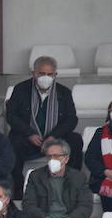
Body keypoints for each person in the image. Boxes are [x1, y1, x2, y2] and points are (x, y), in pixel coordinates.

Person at [5, 56, 80, 192]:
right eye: (42, 73)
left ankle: (72, 186)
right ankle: (17, 191)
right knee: (12, 144)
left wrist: (53, 137)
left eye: (50, 74)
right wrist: (29, 133)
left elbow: (71, 119)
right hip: (28, 139)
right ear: (34, 73)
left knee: (75, 140)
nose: (46, 77)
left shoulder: (64, 92)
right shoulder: (21, 90)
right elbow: (11, 115)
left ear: (55, 75)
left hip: (55, 139)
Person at [23, 139, 94, 218]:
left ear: (66, 159)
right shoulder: (36, 176)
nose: (52, 160)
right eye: (49, 156)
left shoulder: (78, 177)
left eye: (56, 156)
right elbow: (28, 205)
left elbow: (85, 206)